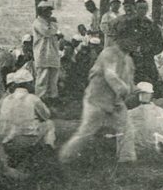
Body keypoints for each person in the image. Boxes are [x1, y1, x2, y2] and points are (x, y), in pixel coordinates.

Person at [59, 29, 137, 163]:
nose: (134, 43)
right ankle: (65, 157)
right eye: (131, 39)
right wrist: (124, 90)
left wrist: (134, 90)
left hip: (115, 101)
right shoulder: (109, 53)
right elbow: (110, 75)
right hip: (96, 99)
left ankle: (127, 159)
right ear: (121, 40)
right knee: (87, 131)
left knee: (126, 128)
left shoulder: (128, 60)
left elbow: (129, 82)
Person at [0, 69, 58, 179]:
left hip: (5, 140)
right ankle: (49, 149)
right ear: (28, 84)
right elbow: (46, 115)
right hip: (25, 140)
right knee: (49, 123)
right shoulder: (33, 98)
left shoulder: (5, 99)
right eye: (31, 82)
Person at [118, 82, 163, 163]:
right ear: (151, 95)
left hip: (138, 153)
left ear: (136, 95)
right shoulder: (161, 111)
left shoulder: (130, 114)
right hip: (158, 151)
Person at [130, 0, 163, 93]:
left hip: (147, 61)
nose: (142, 10)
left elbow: (160, 45)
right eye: (140, 8)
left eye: (144, 8)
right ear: (135, 9)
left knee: (152, 86)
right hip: (131, 61)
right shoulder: (128, 25)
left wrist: (149, 50)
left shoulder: (153, 26)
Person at [32, 0, 61, 102]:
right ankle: (40, 100)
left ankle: (53, 98)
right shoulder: (38, 22)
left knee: (53, 78)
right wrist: (53, 24)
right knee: (42, 78)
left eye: (50, 10)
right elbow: (48, 32)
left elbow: (55, 32)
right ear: (41, 11)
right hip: (42, 54)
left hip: (52, 53)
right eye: (47, 11)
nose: (50, 13)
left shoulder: (49, 22)